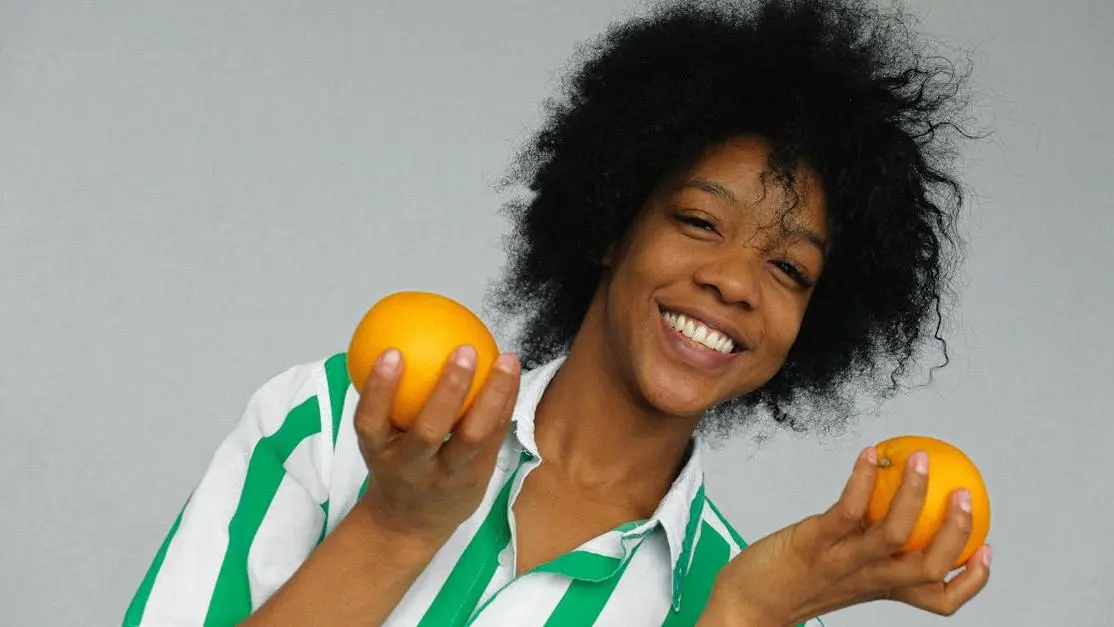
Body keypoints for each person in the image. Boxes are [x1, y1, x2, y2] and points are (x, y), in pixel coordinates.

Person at [123, 0, 991, 625]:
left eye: (789, 268)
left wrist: (744, 613)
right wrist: (394, 526)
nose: (733, 282)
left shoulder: (747, 591)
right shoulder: (336, 415)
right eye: (698, 221)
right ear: (610, 223)